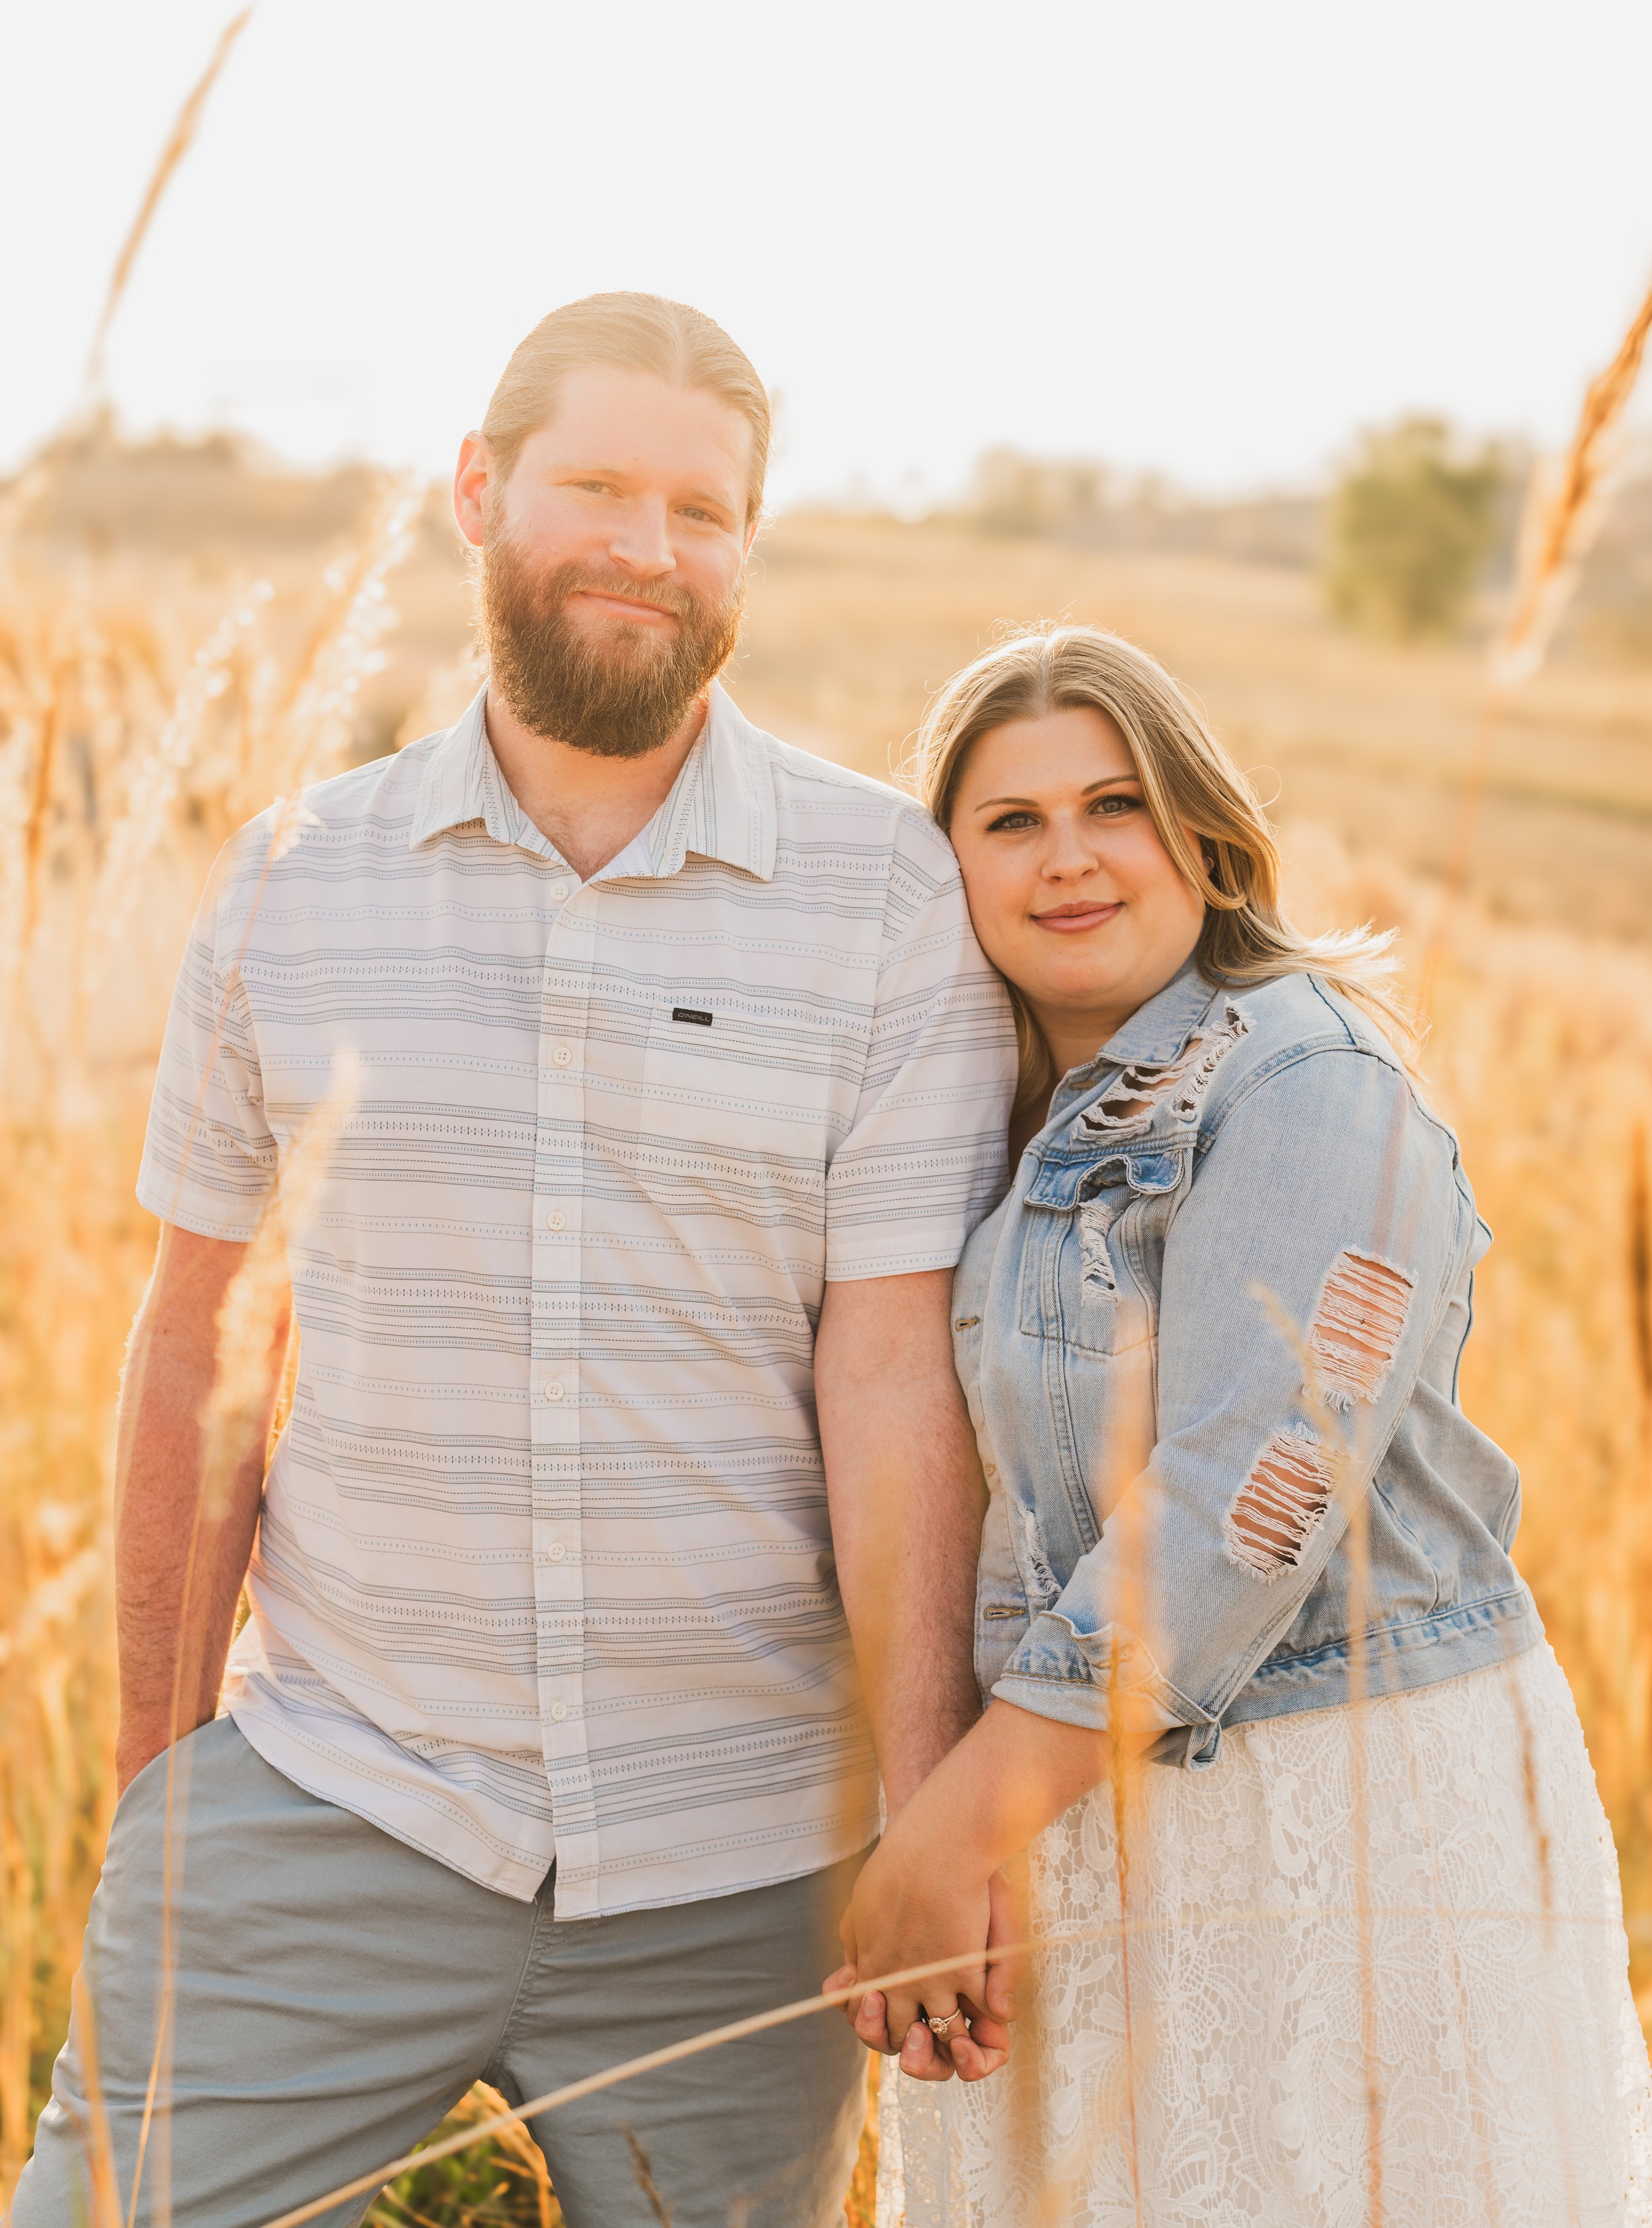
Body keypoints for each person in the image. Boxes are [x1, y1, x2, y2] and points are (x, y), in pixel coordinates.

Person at [15, 293, 1017, 2228]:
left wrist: (912, 1810)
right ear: (477, 493)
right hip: (336, 1808)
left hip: (740, 1874)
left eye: (706, 510)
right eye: (601, 487)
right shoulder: (299, 882)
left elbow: (892, 1372)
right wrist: (154, 1797)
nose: (653, 547)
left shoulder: (883, 896)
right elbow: (204, 1335)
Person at [832, 625, 1652, 2226]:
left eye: (1112, 806)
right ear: (948, 872)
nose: (1066, 859)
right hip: (1080, 1808)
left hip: (1329, 1805)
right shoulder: (1001, 1126)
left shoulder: (1305, 1084)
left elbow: (1249, 1498)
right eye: (1008, 823)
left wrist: (948, 1825)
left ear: (1201, 836)